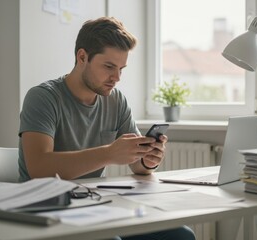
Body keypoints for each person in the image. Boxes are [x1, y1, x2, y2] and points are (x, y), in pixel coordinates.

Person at [18, 16, 195, 240]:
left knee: (180, 236)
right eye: (109, 66)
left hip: (93, 206)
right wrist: (109, 154)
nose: (117, 77)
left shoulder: (115, 100)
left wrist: (148, 158)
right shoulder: (43, 98)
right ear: (82, 57)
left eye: (121, 68)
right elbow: (39, 169)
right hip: (45, 212)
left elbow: (138, 166)